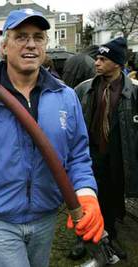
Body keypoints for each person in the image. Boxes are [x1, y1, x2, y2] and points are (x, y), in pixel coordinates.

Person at [0, 9, 104, 267]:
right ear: (4, 46)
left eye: (38, 37)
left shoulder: (64, 96)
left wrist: (86, 194)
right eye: (21, 36)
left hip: (45, 215)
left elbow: (78, 155)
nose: (30, 44)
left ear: (46, 46)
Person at [72, 37, 138, 261]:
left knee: (112, 199)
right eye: (96, 58)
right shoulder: (84, 89)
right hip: (90, 155)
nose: (97, 63)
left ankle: (109, 236)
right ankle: (81, 238)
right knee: (87, 196)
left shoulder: (134, 93)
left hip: (119, 156)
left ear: (117, 63)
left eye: (102, 59)